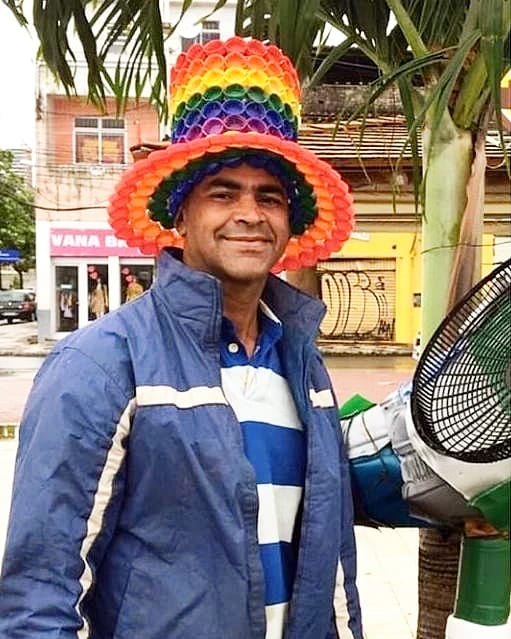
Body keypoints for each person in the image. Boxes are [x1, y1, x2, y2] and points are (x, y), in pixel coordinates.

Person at [0, 37, 362, 639]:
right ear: (180, 214)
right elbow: (42, 592)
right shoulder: (103, 362)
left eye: (269, 197)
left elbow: (329, 553)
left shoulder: (301, 362)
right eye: (223, 192)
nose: (250, 213)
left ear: (288, 221)